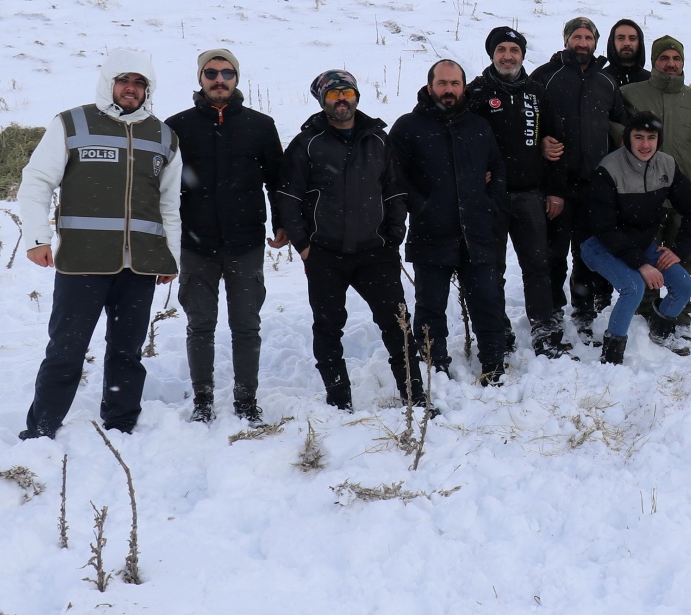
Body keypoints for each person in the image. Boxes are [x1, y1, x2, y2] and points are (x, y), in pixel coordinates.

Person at [18, 50, 182, 439]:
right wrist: (36, 236)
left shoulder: (163, 135)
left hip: (140, 265)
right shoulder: (72, 123)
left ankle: (122, 423)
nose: (131, 89)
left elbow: (169, 203)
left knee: (127, 352)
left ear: (148, 89)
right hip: (81, 263)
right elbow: (37, 180)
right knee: (65, 352)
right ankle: (41, 429)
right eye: (124, 81)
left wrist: (169, 257)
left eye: (139, 83)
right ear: (109, 83)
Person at [277, 70, 424, 410]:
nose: (341, 100)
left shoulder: (378, 140)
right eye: (333, 95)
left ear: (356, 96)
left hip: (375, 252)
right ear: (322, 101)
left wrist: (392, 237)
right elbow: (289, 196)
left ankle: (415, 395)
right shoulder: (307, 143)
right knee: (328, 329)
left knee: (398, 325)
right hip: (325, 253)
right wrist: (303, 245)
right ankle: (339, 400)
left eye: (347, 93)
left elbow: (395, 192)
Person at [165, 47, 286, 423]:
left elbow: (277, 181)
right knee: (199, 325)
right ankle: (203, 400)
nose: (220, 80)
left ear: (237, 78)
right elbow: (162, 187)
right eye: (212, 73)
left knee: (246, 325)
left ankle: (246, 400)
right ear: (200, 78)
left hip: (245, 243)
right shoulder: (176, 127)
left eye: (227, 73)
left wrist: (283, 223)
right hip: (196, 243)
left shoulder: (260, 125)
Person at [389, 59, 511, 385]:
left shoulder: (478, 126)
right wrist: (422, 206)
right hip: (432, 232)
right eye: (442, 83)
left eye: (455, 83)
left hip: (477, 231)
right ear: (430, 87)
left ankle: (493, 366)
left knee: (487, 302)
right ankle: (434, 368)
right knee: (430, 309)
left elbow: (498, 169)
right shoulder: (408, 127)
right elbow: (393, 177)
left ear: (464, 87)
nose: (448, 90)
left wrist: (490, 203)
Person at [467, 26, 570, 358]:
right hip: (490, 197)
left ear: (523, 55)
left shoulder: (537, 92)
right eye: (501, 50)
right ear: (492, 55)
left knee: (537, 264)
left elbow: (556, 143)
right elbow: (461, 140)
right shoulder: (476, 93)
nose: (508, 56)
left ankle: (544, 326)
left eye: (514, 50)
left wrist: (555, 191)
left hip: (530, 194)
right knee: (491, 267)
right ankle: (498, 327)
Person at [581, 112, 691, 364]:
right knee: (633, 287)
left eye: (651, 137)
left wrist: (678, 251)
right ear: (627, 138)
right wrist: (642, 264)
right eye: (638, 137)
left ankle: (660, 333)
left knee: (683, 285)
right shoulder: (609, 168)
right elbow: (604, 228)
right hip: (599, 244)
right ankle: (612, 353)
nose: (645, 144)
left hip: (638, 244)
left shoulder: (666, 165)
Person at [532, 16, 627, 341]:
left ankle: (585, 311)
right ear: (566, 39)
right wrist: (541, 144)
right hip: (556, 184)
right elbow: (528, 124)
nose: (582, 43)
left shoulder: (607, 80)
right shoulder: (546, 76)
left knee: (588, 252)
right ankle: (551, 310)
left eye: (588, 37)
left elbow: (621, 126)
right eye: (577, 37)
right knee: (553, 253)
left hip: (595, 185)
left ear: (596, 42)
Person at [619, 36, 691, 318]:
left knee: (680, 260)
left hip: (682, 197)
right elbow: (617, 137)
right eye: (664, 58)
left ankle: (678, 314)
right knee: (643, 257)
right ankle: (644, 312)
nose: (671, 64)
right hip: (641, 195)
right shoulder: (630, 94)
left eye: (676, 58)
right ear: (654, 61)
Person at [602, 18, 651, 88]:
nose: (627, 43)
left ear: (640, 43)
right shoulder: (600, 80)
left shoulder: (651, 82)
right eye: (621, 38)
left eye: (632, 38)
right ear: (612, 42)